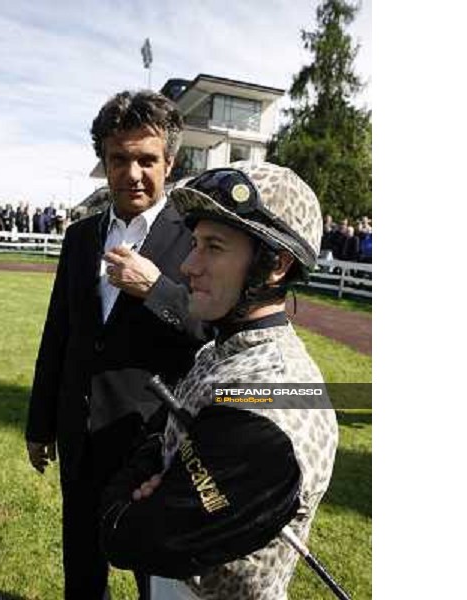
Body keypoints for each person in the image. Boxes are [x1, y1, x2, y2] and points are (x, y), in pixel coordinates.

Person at [100, 162, 339, 600]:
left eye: (213, 246)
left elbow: (129, 537)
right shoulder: (218, 350)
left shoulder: (276, 400)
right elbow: (163, 442)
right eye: (194, 243)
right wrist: (159, 462)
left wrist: (136, 487)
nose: (188, 265)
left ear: (276, 264)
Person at [25, 90, 208, 600]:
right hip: (80, 435)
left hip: (152, 446)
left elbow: (213, 337)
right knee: (82, 570)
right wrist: (40, 424)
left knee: (155, 576)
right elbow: (58, 333)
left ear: (170, 162)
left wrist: (158, 291)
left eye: (146, 159)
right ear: (104, 162)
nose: (132, 173)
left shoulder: (197, 239)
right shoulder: (81, 237)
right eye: (119, 159)